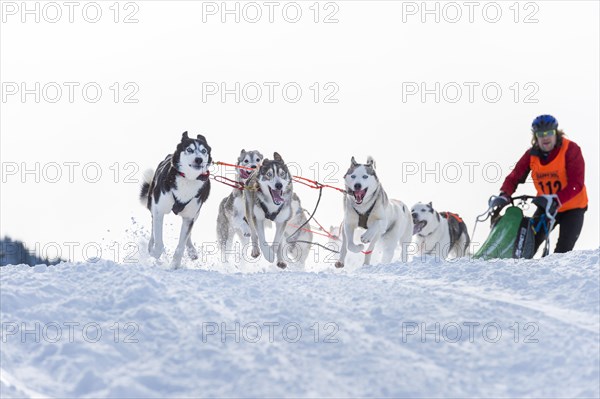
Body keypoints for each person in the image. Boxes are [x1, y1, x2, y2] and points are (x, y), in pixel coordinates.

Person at [491, 114, 588, 255]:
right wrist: (504, 195)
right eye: (541, 134)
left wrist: (556, 199)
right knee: (527, 245)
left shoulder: (571, 150)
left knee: (562, 251)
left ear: (556, 133)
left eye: (549, 133)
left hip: (572, 208)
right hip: (546, 207)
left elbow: (576, 183)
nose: (545, 138)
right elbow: (514, 176)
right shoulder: (531, 155)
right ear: (536, 136)